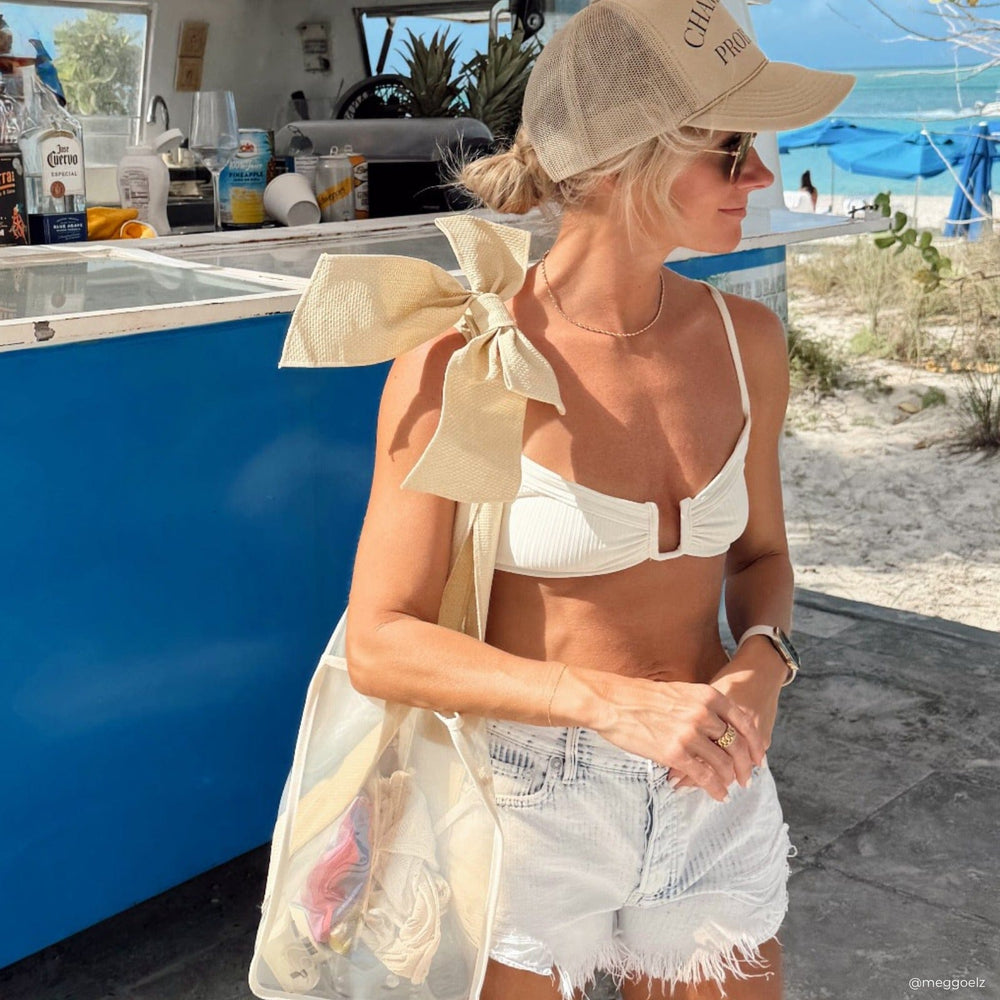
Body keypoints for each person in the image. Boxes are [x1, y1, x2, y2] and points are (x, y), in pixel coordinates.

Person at [331, 2, 854, 998]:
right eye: (731, 150)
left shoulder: (748, 343)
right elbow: (381, 638)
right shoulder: (464, 358)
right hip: (524, 804)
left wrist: (761, 663)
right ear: (623, 159)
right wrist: (606, 705)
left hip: (714, 786)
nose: (762, 177)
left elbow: (759, 559)